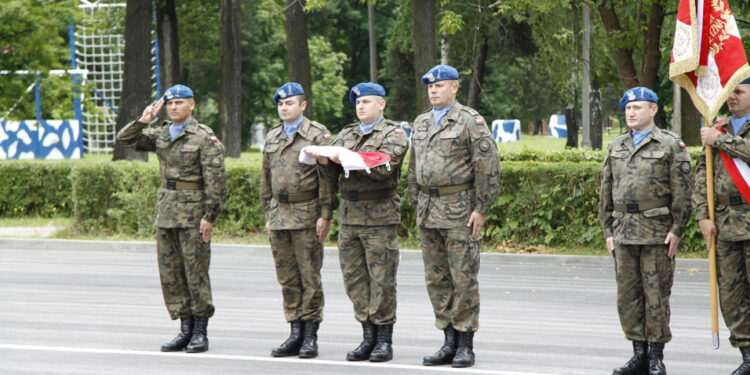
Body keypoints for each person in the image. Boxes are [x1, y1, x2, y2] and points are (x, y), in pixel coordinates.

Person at [116, 84, 227, 353]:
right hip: (166, 212)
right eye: (170, 103)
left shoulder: (204, 138)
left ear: (192, 105)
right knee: (172, 273)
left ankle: (200, 331)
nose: (174, 107)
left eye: (180, 103)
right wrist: (144, 120)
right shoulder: (162, 134)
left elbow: (216, 181)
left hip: (193, 214)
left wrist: (209, 216)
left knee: (195, 272)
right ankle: (184, 328)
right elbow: (125, 139)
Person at [407, 65, 500, 368]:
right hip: (428, 211)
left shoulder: (470, 121)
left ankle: (465, 343)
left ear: (454, 88)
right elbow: (413, 168)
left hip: (460, 211)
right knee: (436, 279)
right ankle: (447, 339)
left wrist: (482, 208)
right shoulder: (420, 123)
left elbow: (487, 166)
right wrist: (416, 201)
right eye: (430, 87)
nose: (433, 91)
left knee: (463, 278)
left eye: (439, 86)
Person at [598, 87, 693, 375]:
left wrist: (677, 229)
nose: (631, 112)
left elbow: (683, 193)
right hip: (624, 231)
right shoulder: (616, 146)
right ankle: (638, 354)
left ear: (653, 110)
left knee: (656, 296)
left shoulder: (669, 145)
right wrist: (607, 230)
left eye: (637, 107)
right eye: (628, 108)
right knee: (628, 297)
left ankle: (656, 357)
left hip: (656, 231)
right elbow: (606, 191)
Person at [313, 82, 407, 362]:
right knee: (355, 280)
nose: (361, 106)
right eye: (358, 103)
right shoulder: (347, 133)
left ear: (382, 105)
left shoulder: (394, 133)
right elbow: (330, 175)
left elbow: (382, 166)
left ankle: (383, 340)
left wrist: (346, 157)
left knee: (382, 280)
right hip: (349, 215)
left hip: (379, 214)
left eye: (367, 102)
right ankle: (367, 335)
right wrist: (324, 161)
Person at [260, 82, 336, 359]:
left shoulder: (318, 135)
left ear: (303, 106)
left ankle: (310, 336)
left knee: (309, 277)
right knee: (287, 278)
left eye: (289, 103)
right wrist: (268, 213)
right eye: (281, 103)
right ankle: (294, 332)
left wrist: (325, 214)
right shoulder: (272, 136)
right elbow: (265, 178)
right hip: (279, 216)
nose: (284, 107)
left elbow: (328, 178)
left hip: (306, 215)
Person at [694, 77, 750, 375]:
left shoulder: (718, 135)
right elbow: (702, 176)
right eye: (729, 93)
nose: (732, 97)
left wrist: (720, 141)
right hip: (725, 223)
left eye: (739, 91)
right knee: (731, 294)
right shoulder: (717, 127)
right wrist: (703, 215)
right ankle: (747, 355)